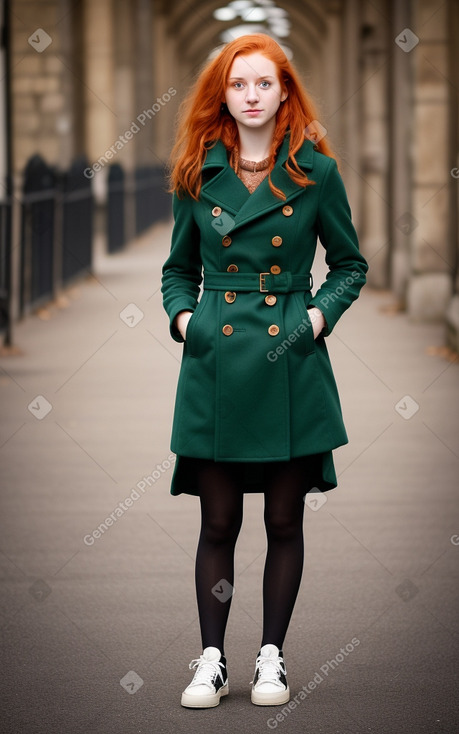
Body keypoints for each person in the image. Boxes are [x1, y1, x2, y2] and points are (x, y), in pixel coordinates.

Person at [161, 33, 368, 709]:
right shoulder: (196, 169)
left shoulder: (317, 172)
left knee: (284, 519)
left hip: (289, 361)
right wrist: (186, 322)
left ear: (284, 94)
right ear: (221, 95)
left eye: (263, 84)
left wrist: (314, 320)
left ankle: (271, 656)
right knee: (217, 522)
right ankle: (212, 658)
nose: (250, 96)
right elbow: (176, 271)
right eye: (237, 84)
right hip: (216, 360)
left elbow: (348, 264)